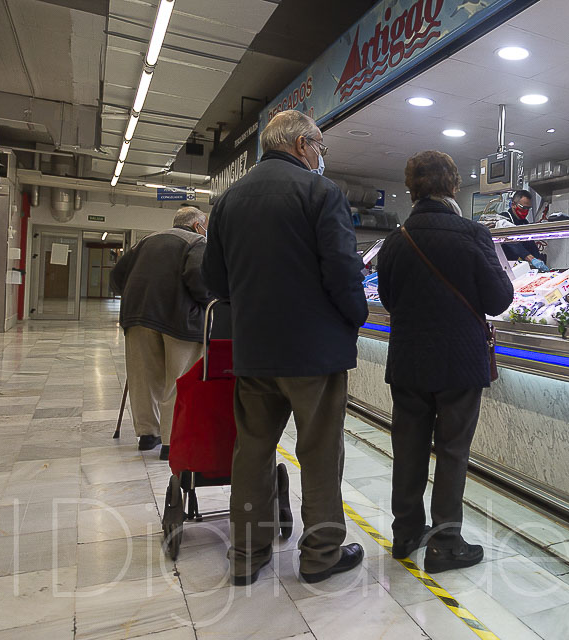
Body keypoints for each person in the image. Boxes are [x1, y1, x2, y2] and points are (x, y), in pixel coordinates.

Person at [203, 109, 368, 586]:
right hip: (314, 353)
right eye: (319, 146)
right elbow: (342, 269)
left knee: (251, 449)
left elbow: (214, 280)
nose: (320, 155)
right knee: (319, 452)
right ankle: (320, 556)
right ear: (300, 145)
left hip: (254, 349)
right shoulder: (321, 193)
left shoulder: (229, 201)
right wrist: (355, 316)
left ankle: (246, 555)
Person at [377, 150, 514, 573]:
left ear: (411, 187)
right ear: (453, 185)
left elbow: (387, 300)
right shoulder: (472, 234)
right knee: (452, 451)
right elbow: (499, 299)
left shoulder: (396, 239)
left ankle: (405, 535)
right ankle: (445, 544)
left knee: (408, 448)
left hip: (409, 359)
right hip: (459, 362)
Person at [109, 206, 210, 460]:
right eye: (205, 224)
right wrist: (207, 300)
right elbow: (198, 278)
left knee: (144, 378)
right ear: (198, 225)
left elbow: (117, 276)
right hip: (179, 319)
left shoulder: (146, 241)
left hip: (138, 316)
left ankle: (148, 435)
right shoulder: (197, 242)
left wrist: (139, 293)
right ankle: (170, 440)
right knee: (179, 379)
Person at [498, 190, 549, 271]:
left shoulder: (524, 222)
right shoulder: (503, 219)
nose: (526, 211)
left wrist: (538, 259)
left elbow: (530, 244)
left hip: (513, 266)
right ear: (513, 204)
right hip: (500, 265)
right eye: (523, 208)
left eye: (528, 208)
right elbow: (512, 242)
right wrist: (531, 259)